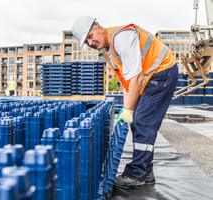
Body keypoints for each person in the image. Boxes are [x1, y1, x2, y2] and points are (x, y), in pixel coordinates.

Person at [72, 16, 178, 189]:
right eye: (87, 41)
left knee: (143, 122)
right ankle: (146, 171)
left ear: (99, 28)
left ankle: (137, 175)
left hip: (162, 71)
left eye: (91, 36)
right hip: (151, 76)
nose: (90, 42)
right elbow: (127, 81)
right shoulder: (109, 51)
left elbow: (136, 76)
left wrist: (129, 108)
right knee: (138, 122)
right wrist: (127, 108)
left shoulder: (121, 38)